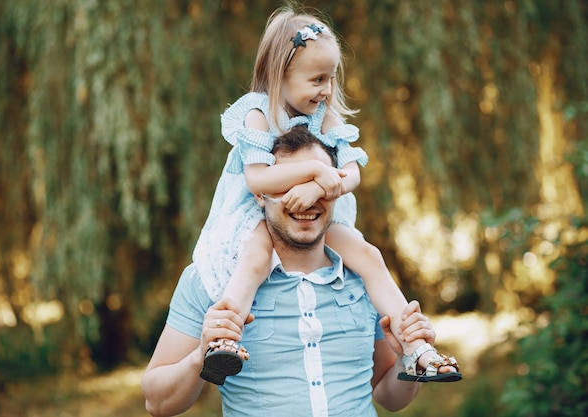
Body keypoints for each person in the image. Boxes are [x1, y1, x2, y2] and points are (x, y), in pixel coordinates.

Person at [192, 6, 461, 385]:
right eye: (317, 79)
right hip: (258, 214)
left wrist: (320, 186)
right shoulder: (256, 114)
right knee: (253, 259)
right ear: (279, 75)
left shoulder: (326, 116)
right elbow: (257, 180)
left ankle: (417, 349)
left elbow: (351, 174)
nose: (327, 90)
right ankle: (223, 340)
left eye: (331, 78)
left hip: (318, 214)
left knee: (368, 254)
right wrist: (317, 171)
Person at [142, 126, 440, 416]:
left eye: (319, 184)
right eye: (289, 186)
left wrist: (405, 362)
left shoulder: (368, 281)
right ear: (260, 194)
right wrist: (199, 357)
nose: (307, 199)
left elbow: (388, 397)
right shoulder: (212, 278)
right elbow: (156, 403)